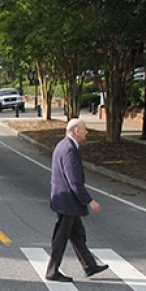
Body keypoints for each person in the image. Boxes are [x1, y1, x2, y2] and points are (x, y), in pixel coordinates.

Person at [45, 118, 109, 282]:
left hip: (65, 200)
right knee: (61, 237)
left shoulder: (64, 145)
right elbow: (74, 180)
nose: (87, 132)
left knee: (77, 235)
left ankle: (90, 265)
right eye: (85, 129)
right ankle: (52, 271)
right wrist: (90, 201)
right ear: (77, 131)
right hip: (67, 201)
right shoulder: (69, 150)